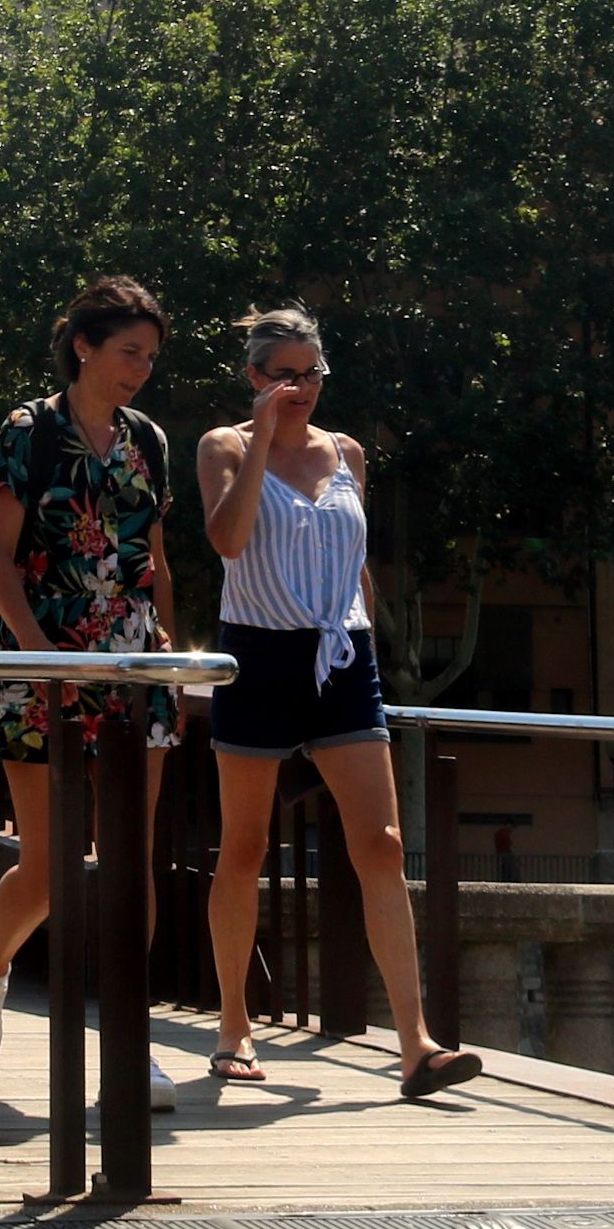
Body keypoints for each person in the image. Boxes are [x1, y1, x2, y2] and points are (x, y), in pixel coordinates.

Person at [194, 308, 479, 1100]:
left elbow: (350, 561)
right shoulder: (224, 446)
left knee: (381, 844)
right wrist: (257, 441)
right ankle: (232, 1027)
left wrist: (368, 643)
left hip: (342, 654)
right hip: (255, 653)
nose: (301, 389)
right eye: (284, 374)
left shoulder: (347, 452)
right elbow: (227, 539)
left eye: (312, 373)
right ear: (255, 377)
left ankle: (416, 1044)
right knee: (244, 847)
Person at [0, 275, 184, 1108]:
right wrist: (37, 654)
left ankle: (129, 1038)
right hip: (42, 665)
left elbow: (156, 556)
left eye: (151, 358)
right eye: (129, 352)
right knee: (51, 867)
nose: (140, 370)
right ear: (85, 344)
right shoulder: (30, 431)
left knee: (132, 856)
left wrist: (174, 655)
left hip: (133, 670)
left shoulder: (148, 439)